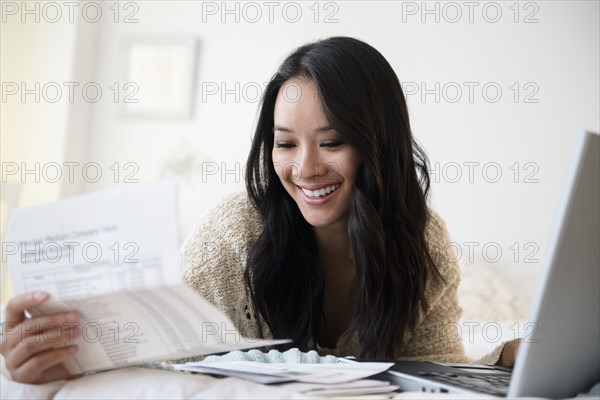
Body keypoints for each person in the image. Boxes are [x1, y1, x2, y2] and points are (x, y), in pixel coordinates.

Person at [0, 36, 519, 384]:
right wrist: (61, 363)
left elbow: (436, 369)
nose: (305, 168)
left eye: (332, 141)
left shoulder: (422, 240)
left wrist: (505, 367)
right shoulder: (234, 236)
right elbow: (153, 358)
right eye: (286, 144)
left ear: (379, 144)